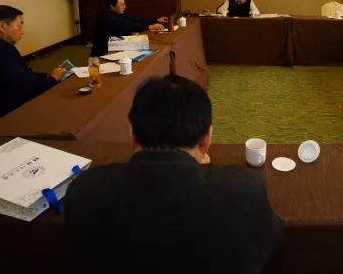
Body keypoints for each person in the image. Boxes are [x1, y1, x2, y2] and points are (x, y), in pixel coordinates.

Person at [64, 75, 283, 273]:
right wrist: (203, 171)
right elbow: (271, 241)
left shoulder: (85, 190)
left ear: (132, 135)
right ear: (206, 140)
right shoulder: (244, 189)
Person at [0, 5, 66, 130]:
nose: (22, 31)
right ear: (3, 26)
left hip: (8, 104)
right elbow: (25, 90)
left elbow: (21, 76)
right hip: (4, 120)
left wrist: (46, 76)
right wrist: (52, 80)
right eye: (19, 25)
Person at [90, 0, 168, 56]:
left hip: (117, 47)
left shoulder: (119, 14)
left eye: (124, 4)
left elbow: (134, 20)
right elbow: (128, 26)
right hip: (104, 53)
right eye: (122, 5)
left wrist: (155, 20)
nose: (125, 6)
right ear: (112, 6)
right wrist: (149, 27)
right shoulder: (106, 17)